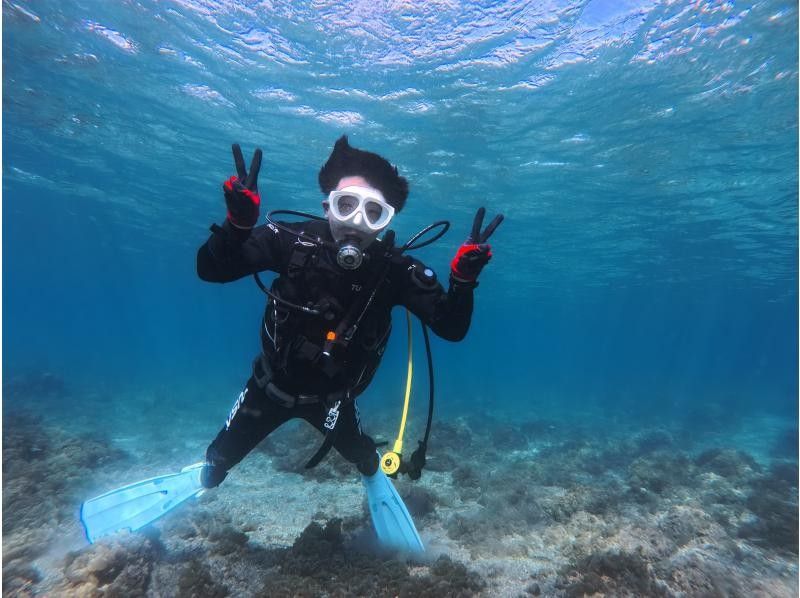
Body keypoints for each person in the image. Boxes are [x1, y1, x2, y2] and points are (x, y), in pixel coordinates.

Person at [79, 136, 502, 553]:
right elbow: (211, 269)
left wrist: (464, 283)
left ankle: (373, 475)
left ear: (386, 222)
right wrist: (236, 227)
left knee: (365, 458)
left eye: (373, 212)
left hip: (336, 401)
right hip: (269, 389)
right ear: (326, 206)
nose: (356, 222)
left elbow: (450, 327)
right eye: (346, 205)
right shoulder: (289, 240)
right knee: (216, 468)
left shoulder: (394, 270)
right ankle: (205, 475)